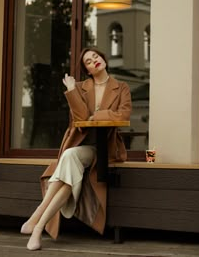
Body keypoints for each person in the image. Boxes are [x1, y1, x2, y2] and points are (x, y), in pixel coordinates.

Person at [20, 47, 132, 250]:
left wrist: (96, 116)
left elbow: (123, 115)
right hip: (82, 146)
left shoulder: (121, 87)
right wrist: (71, 91)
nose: (94, 60)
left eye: (96, 56)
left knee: (67, 166)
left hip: (105, 148)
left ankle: (37, 218)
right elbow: (80, 120)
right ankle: (38, 229)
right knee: (70, 162)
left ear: (103, 59)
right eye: (89, 61)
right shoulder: (80, 88)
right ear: (88, 70)